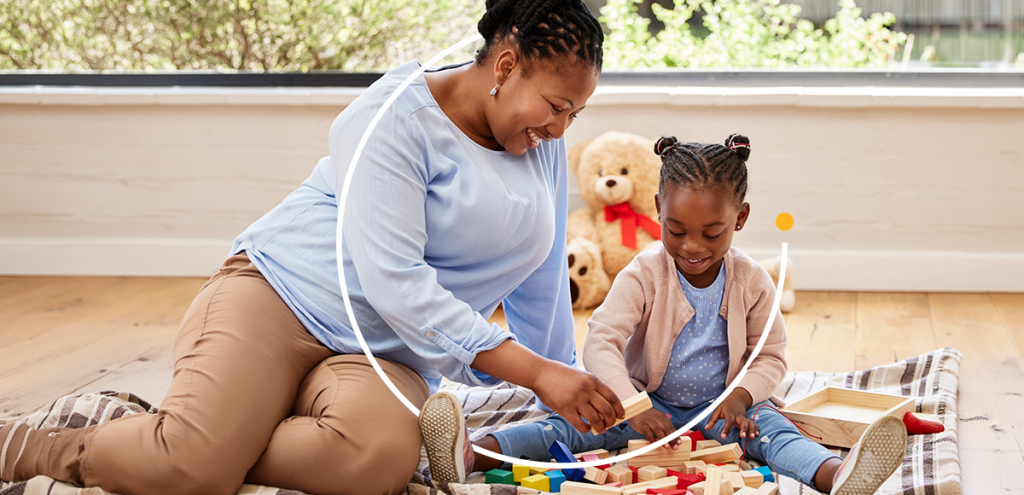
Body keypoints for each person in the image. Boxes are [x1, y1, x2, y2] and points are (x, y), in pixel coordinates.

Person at [0, 1, 626, 494]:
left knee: (380, 461)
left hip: (381, 356)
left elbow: (542, 273)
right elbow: (397, 282)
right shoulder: (391, 117)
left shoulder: (539, 148)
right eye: (555, 107)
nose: (559, 129)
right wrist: (536, 373)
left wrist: (566, 392)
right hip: (279, 299)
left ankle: (218, 429)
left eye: (574, 114)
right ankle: (40, 445)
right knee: (190, 467)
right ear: (507, 65)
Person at [432, 135, 909, 494]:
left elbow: (771, 356)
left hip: (726, 409)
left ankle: (837, 476)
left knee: (776, 432)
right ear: (659, 209)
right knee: (569, 427)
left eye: (712, 233)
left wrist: (741, 396)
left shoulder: (752, 280)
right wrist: (632, 405)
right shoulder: (644, 273)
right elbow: (601, 341)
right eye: (676, 230)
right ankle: (473, 453)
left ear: (740, 218)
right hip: (649, 404)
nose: (692, 247)